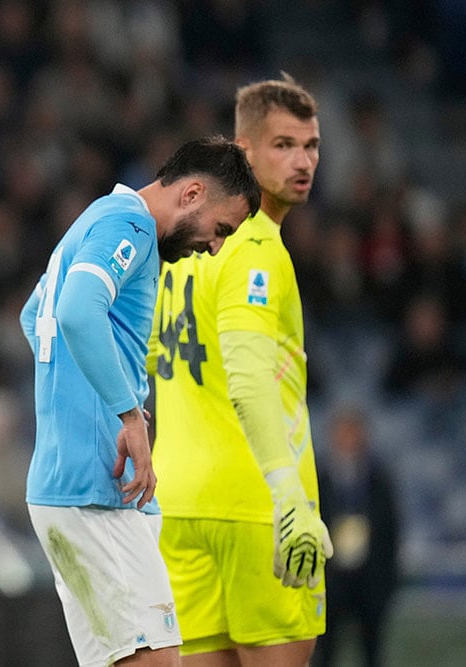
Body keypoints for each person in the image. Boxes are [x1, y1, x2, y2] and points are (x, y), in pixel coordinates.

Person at [21, 136, 260, 667]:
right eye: (221, 229)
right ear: (193, 193)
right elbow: (78, 311)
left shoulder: (98, 218)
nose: (216, 246)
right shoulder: (128, 225)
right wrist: (126, 414)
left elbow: (35, 314)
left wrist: (86, 397)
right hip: (96, 489)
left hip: (73, 486)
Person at [148, 75, 334, 666]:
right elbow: (248, 373)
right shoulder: (255, 246)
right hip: (256, 509)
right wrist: (288, 498)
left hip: (177, 505)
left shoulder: (179, 244)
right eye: (283, 145)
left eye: (311, 145)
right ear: (243, 150)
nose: (302, 161)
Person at [313, 406, 400, 667]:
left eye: (354, 431)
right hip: (330, 582)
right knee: (324, 654)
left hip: (369, 583)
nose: (349, 438)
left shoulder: (379, 478)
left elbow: (391, 531)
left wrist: (386, 581)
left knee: (372, 653)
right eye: (343, 431)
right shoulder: (318, 476)